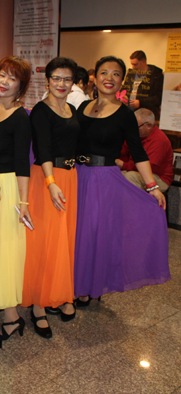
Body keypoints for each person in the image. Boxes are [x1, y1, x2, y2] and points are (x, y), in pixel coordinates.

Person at [74, 56, 170, 303]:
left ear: (121, 81)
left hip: (104, 181)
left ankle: (90, 287)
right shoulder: (81, 108)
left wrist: (152, 187)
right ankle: (72, 282)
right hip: (77, 176)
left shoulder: (126, 114)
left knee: (96, 233)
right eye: (104, 72)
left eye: (115, 74)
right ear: (94, 78)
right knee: (77, 233)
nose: (109, 78)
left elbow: (138, 153)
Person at [21, 57, 80, 339]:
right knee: (43, 241)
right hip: (48, 180)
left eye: (66, 79)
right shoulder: (41, 112)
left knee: (63, 240)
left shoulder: (72, 109)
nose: (61, 83)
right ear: (48, 81)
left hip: (68, 178)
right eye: (56, 78)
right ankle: (37, 304)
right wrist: (51, 182)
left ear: (73, 83)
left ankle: (58, 293)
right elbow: (42, 148)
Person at [0, 56, 32, 341]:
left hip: (10, 186)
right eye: (2, 74)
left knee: (7, 249)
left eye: (12, 78)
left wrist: (23, 203)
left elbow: (23, 163)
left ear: (20, 86)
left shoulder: (21, 117)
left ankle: (12, 317)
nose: (4, 81)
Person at [117, 108, 173, 193]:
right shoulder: (140, 135)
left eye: (136, 127)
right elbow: (124, 150)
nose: (133, 129)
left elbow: (149, 167)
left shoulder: (159, 140)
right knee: (114, 174)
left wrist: (123, 165)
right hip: (137, 171)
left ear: (149, 125)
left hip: (159, 178)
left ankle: (133, 205)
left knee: (130, 177)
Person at [121, 50, 164, 120]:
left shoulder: (155, 75)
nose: (133, 67)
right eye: (132, 64)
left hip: (146, 114)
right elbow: (124, 89)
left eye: (135, 64)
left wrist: (141, 102)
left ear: (143, 62)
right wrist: (123, 96)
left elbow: (158, 98)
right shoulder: (131, 74)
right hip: (128, 112)